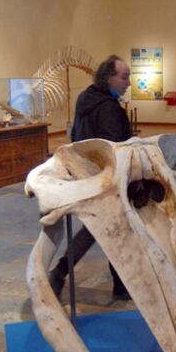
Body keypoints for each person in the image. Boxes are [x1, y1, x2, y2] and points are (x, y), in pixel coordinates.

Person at [49, 54, 132, 300]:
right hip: (106, 178)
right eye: (124, 77)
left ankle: (120, 284)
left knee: (112, 229)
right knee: (107, 229)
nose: (128, 82)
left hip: (87, 175)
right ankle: (61, 271)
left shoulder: (86, 97)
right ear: (109, 78)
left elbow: (76, 134)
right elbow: (115, 146)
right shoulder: (108, 107)